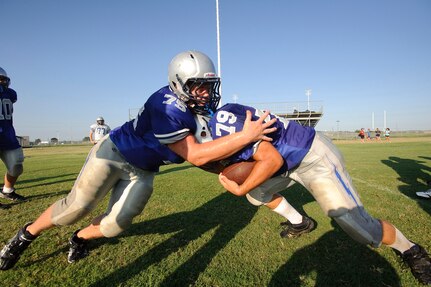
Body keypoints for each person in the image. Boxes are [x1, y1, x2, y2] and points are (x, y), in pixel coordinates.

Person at [0, 51, 277, 270]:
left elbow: (208, 155)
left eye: (209, 85)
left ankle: (80, 238)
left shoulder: (199, 111)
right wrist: (246, 136)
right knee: (76, 208)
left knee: (114, 225)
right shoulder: (166, 105)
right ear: (178, 83)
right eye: (198, 85)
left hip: (143, 169)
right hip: (115, 153)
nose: (205, 92)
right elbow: (194, 154)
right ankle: (26, 235)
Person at [211, 103, 431, 285]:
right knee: (257, 193)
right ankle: (300, 222)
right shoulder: (218, 117)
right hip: (288, 164)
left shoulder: (220, 120)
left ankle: (411, 250)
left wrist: (240, 187)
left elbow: (271, 160)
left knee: (359, 228)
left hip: (312, 157)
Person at [0, 67, 26, 203]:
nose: (1, 82)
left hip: (8, 136)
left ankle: (7, 191)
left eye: (3, 79)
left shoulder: (10, 93)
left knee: (16, 166)